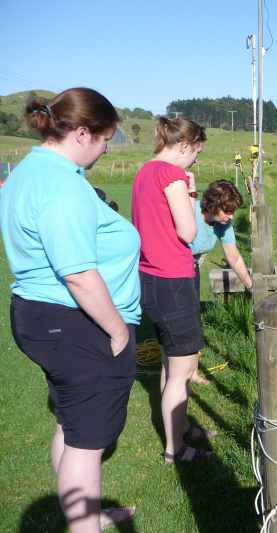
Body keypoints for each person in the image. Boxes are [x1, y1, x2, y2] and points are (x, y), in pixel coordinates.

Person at [0, 88, 139, 533]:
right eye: (104, 140)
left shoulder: (32, 170)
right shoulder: (61, 185)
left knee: (71, 423)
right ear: (82, 132)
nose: (103, 150)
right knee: (86, 443)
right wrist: (116, 330)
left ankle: (84, 515)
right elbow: (78, 273)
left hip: (45, 317)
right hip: (75, 321)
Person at [131, 116, 214, 464]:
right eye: (195, 151)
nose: (195, 159)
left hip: (149, 277)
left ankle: (178, 429)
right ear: (184, 145)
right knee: (181, 371)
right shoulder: (173, 175)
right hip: (174, 281)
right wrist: (191, 193)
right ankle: (175, 449)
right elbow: (188, 232)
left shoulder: (144, 172)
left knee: (171, 360)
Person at [188, 179, 252, 385]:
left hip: (191, 268)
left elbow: (233, 257)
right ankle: (175, 372)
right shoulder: (190, 212)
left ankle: (193, 372)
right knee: (180, 323)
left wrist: (250, 285)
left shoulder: (223, 225)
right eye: (227, 211)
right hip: (171, 270)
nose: (231, 216)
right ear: (214, 205)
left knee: (193, 318)